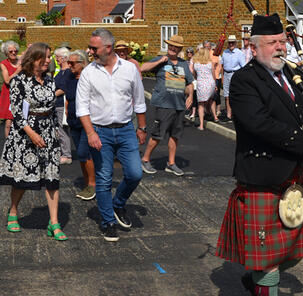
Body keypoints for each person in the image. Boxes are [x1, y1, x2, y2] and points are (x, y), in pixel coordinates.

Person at [216, 14, 303, 296]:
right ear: (253, 48)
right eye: (272, 42)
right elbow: (259, 123)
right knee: (270, 264)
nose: (280, 47)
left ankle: (256, 279)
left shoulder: (287, 75)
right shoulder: (243, 81)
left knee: (292, 252)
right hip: (263, 177)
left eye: (282, 41)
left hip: (291, 177)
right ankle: (262, 281)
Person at [77, 28, 147, 242]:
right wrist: (90, 133)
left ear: (108, 48)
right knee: (104, 178)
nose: (90, 51)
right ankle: (108, 221)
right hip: (100, 131)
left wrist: (142, 128)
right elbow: (82, 107)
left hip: (126, 130)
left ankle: (118, 204)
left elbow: (139, 100)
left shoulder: (129, 69)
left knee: (135, 173)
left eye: (94, 48)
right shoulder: (89, 72)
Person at [0, 43, 66, 241]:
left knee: (52, 178)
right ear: (33, 59)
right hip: (26, 134)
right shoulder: (19, 80)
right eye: (43, 57)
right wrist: (31, 134)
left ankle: (54, 222)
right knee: (23, 179)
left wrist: (55, 132)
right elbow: (17, 112)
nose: (47, 61)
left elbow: (52, 109)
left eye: (49, 57)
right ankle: (13, 211)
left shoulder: (50, 80)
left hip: (48, 133)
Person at [140, 34, 194, 175]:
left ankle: (171, 163)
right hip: (164, 104)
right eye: (171, 45)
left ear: (179, 49)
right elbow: (143, 68)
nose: (173, 48)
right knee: (158, 134)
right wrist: (159, 62)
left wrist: (191, 96)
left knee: (175, 135)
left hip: (179, 105)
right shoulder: (161, 60)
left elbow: (189, 82)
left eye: (176, 47)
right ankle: (145, 159)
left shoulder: (183, 64)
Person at [62, 50, 95, 200]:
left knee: (84, 153)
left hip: (87, 121)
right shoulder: (70, 76)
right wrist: (67, 111)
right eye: (68, 62)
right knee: (82, 156)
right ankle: (86, 183)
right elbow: (68, 96)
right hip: (73, 120)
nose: (69, 65)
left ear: (83, 63)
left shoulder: (89, 77)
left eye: (72, 63)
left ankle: (92, 185)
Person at [52, 47, 73, 165]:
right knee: (58, 130)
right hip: (57, 103)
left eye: (58, 57)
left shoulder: (68, 72)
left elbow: (64, 88)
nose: (56, 59)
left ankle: (66, 155)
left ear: (65, 58)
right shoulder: (61, 72)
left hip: (62, 104)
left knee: (62, 129)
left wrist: (50, 96)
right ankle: (62, 152)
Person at [0, 41, 21, 137]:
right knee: (9, 122)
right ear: (6, 53)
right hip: (9, 94)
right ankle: (8, 145)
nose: (13, 53)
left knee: (21, 121)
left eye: (15, 51)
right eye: (11, 51)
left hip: (21, 93)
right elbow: (7, 80)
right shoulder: (4, 63)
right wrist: (18, 71)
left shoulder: (21, 62)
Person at [191, 47, 218, 129]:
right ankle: (215, 116)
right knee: (212, 100)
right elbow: (213, 75)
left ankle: (201, 125)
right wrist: (215, 85)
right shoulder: (210, 63)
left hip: (201, 85)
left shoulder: (196, 64)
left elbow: (195, 76)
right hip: (210, 84)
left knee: (201, 105)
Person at [221, 34, 246, 121]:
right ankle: (228, 115)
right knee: (226, 95)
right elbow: (222, 66)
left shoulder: (239, 53)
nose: (231, 44)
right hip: (227, 74)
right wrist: (222, 77)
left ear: (235, 43)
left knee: (235, 95)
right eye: (229, 43)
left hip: (235, 74)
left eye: (232, 43)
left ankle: (236, 114)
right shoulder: (225, 52)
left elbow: (243, 67)